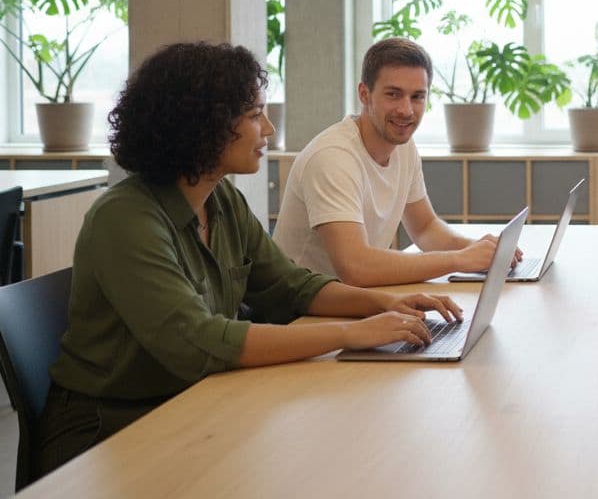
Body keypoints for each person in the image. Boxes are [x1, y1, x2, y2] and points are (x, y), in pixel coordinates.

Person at [37, 42, 461, 477]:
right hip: (109, 430)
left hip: (192, 399)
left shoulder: (221, 199)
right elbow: (198, 341)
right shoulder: (125, 218)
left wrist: (387, 305)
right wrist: (353, 333)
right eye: (255, 114)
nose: (269, 130)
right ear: (205, 122)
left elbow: (289, 285)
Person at [274, 38, 518, 286]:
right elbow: (355, 267)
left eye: (417, 97)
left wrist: (479, 250)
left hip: (348, 301)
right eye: (393, 94)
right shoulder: (332, 157)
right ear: (364, 94)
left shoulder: (404, 148)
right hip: (298, 313)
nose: (406, 110)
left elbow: (425, 228)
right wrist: (458, 260)